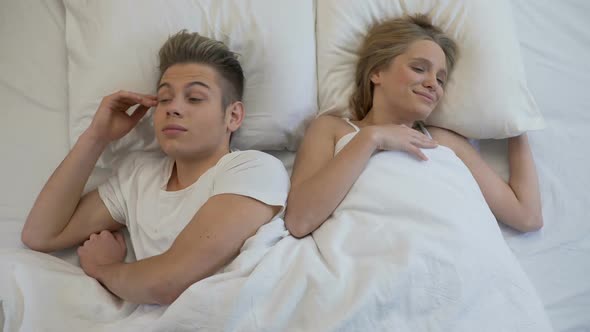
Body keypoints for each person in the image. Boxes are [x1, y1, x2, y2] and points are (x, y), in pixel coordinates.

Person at [21, 30, 290, 305]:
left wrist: (103, 267)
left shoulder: (254, 169)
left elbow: (168, 282)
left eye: (194, 98)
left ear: (233, 116)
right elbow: (41, 234)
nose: (173, 108)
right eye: (163, 99)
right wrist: (96, 136)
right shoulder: (139, 176)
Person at [284, 14, 543, 238]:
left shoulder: (444, 141)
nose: (433, 84)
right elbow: (299, 220)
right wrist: (371, 138)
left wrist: (516, 122)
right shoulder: (332, 129)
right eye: (419, 68)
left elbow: (527, 217)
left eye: (441, 79)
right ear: (377, 72)